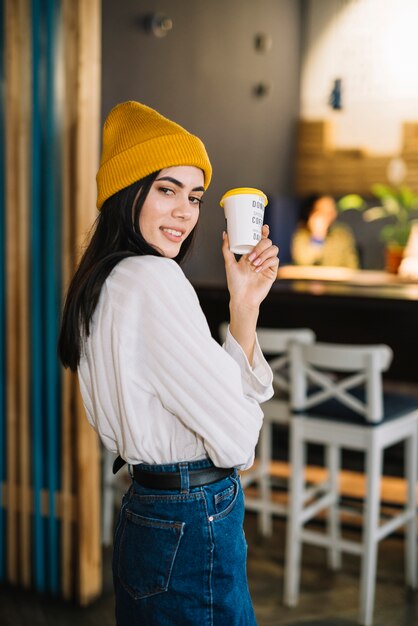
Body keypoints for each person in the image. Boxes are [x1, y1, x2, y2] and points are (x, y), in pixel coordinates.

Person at [58, 101, 279, 625]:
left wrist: (243, 306)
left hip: (148, 512)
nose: (185, 211)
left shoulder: (104, 280)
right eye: (166, 189)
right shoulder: (153, 279)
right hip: (191, 515)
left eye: (195, 196)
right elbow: (239, 442)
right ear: (127, 191)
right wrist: (240, 412)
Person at [291, 193, 359, 268]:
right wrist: (317, 236)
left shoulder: (342, 233)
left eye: (332, 210)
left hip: (337, 278)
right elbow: (302, 262)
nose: (329, 215)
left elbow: (352, 265)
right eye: (323, 211)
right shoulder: (302, 234)